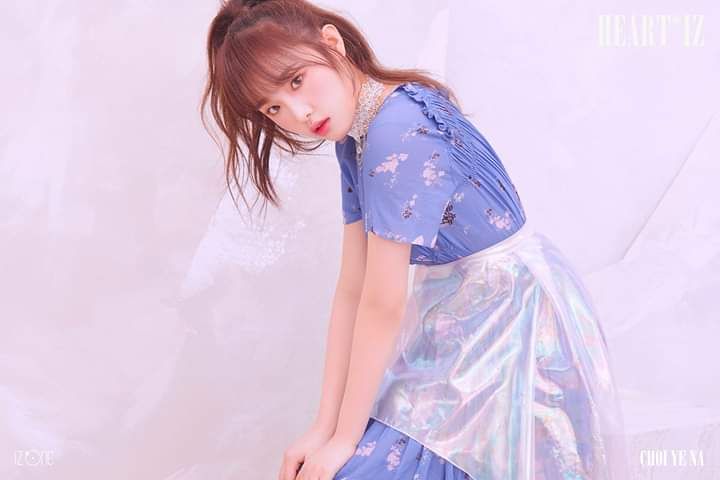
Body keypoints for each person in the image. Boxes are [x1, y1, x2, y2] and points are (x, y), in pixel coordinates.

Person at [200, 1, 630, 479]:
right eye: (273, 107)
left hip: (515, 319)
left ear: (332, 43)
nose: (298, 113)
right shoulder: (356, 137)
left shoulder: (396, 130)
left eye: (297, 80)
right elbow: (353, 288)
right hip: (461, 314)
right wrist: (324, 427)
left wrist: (343, 440)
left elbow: (383, 303)